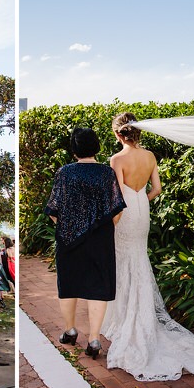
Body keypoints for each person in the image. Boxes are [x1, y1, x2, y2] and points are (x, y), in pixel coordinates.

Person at [101, 113, 194, 380]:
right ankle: (142, 317)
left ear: (117, 134)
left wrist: (112, 220)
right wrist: (141, 199)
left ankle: (122, 320)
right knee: (138, 258)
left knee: (123, 260)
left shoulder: (116, 160)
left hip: (124, 213)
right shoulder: (150, 156)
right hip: (142, 210)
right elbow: (156, 188)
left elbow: (116, 196)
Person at [45, 127, 126, 359]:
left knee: (68, 285)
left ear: (74, 148)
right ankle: (94, 340)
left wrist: (70, 226)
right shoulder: (106, 173)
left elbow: (53, 209)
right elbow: (116, 210)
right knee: (98, 288)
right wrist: (100, 231)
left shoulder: (65, 172)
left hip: (68, 239)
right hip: (100, 240)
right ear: (96, 146)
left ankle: (70, 331)